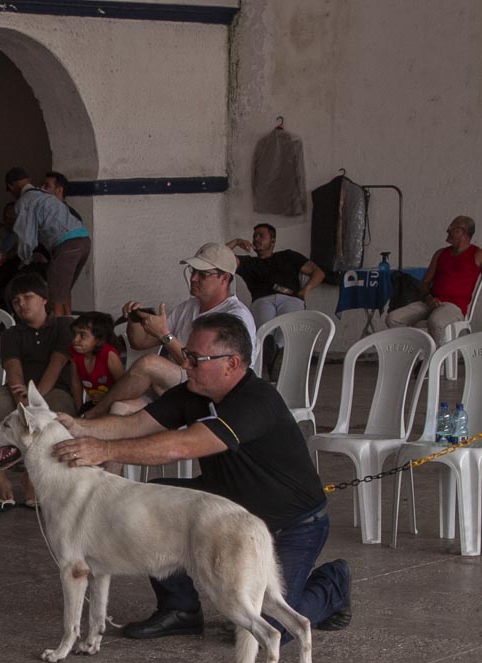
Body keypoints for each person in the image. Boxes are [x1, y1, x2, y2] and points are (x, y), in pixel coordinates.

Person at [53, 313, 352, 640]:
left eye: (196, 359)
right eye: (187, 356)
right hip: (226, 505)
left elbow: (181, 446)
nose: (186, 364)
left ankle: (334, 583)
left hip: (292, 524)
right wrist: (78, 426)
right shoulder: (194, 392)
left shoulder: (256, 401)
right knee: (157, 497)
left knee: (271, 625)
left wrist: (104, 450)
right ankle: (180, 609)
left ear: (231, 363)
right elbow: (135, 424)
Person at [83, 242, 256, 420]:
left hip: (212, 391)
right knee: (120, 409)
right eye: (193, 271)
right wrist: (134, 319)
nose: (193, 278)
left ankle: (93, 414)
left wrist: (164, 335)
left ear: (224, 278)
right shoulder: (188, 307)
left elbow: (205, 367)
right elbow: (139, 343)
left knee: (149, 364)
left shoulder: (236, 316)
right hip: (179, 386)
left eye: (203, 274)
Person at [0, 271, 76, 510]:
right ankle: (0, 482)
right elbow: (13, 370)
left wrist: (33, 403)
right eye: (16, 301)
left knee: (51, 419)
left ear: (44, 299)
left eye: (28, 297)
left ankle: (31, 479)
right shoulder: (12, 334)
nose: (22, 304)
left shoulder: (63, 326)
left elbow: (57, 365)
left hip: (54, 390)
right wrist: (22, 402)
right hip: (18, 392)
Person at [5, 167, 91, 317]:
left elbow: (26, 239)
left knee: (54, 297)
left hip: (67, 245)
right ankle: (68, 323)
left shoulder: (24, 201)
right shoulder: (43, 195)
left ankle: (58, 328)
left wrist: (25, 260)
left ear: (11, 187)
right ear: (29, 181)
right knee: (63, 289)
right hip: (84, 241)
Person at [386, 215, 482, 344]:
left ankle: (437, 357)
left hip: (453, 306)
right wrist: (428, 298)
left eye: (451, 227)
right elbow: (424, 283)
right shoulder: (440, 253)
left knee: (436, 322)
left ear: (461, 232)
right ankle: (416, 351)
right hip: (430, 303)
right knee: (393, 318)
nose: (447, 230)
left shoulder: (477, 254)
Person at [226, 222, 325, 327]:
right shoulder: (248, 262)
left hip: (290, 299)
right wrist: (236, 242)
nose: (256, 239)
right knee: (264, 333)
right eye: (254, 236)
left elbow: (319, 273)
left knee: (289, 333)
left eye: (261, 236)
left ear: (273, 241)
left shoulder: (288, 256)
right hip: (262, 301)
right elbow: (218, 258)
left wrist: (305, 290)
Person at [68, 311, 123, 412]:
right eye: (75, 334)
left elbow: (122, 384)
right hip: (94, 403)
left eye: (82, 335)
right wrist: (80, 410)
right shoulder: (75, 352)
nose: (75, 340)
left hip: (114, 404)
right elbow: (76, 384)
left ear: (99, 340)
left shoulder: (109, 354)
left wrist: (107, 400)